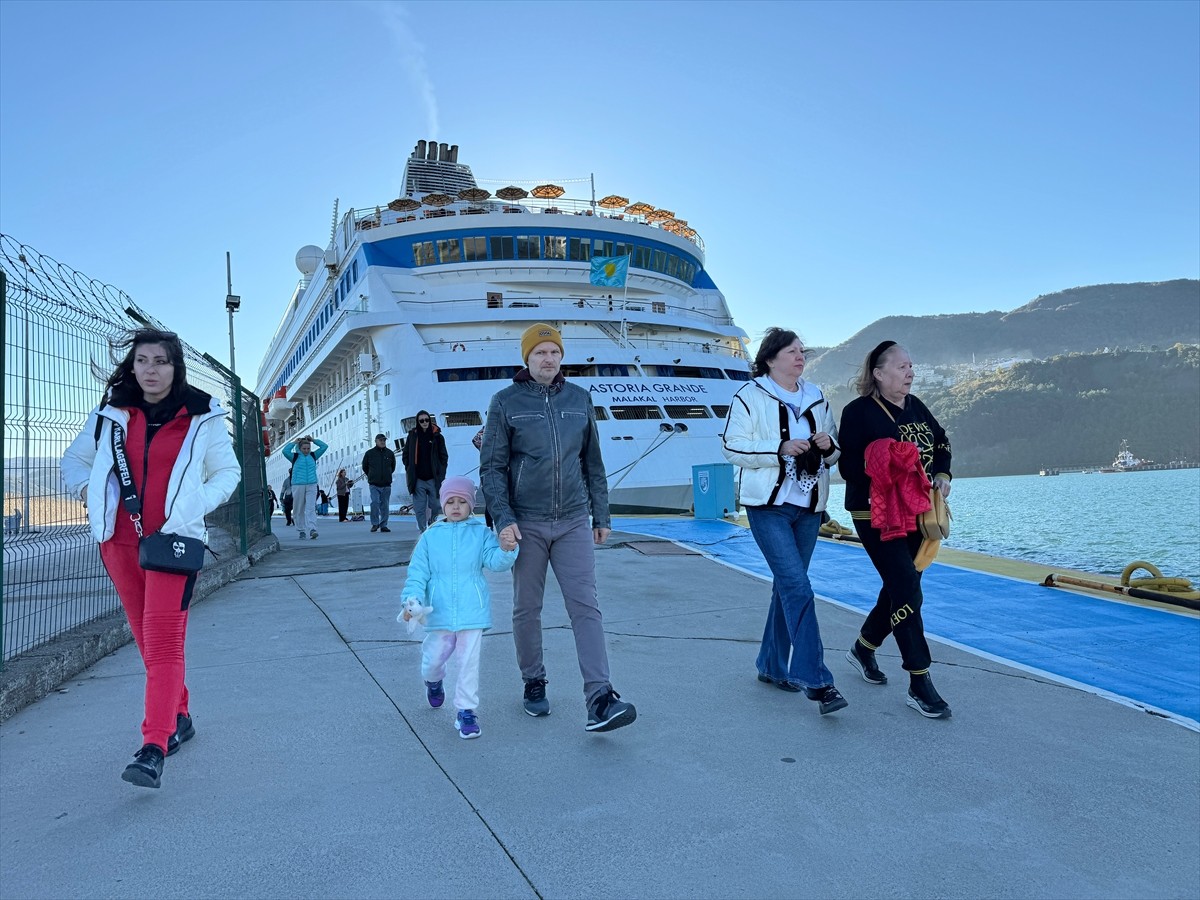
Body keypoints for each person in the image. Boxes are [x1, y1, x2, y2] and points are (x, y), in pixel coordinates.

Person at [61, 328, 241, 788]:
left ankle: (154, 745)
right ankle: (179, 714)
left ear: (175, 366)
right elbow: (74, 460)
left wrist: (192, 505)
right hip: (117, 541)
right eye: (142, 360)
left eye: (160, 361)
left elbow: (228, 472)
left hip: (173, 542)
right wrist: (89, 492)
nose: (151, 370)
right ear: (133, 365)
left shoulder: (202, 414)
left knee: (163, 641)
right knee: (144, 636)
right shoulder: (111, 413)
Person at [480, 323, 637, 733]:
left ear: (561, 356)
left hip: (572, 520)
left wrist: (600, 515)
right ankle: (533, 680)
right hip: (526, 523)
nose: (548, 359)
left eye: (554, 352)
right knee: (526, 608)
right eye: (539, 353)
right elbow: (492, 468)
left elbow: (593, 464)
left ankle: (600, 697)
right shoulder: (505, 402)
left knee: (586, 606)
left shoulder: (579, 399)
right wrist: (504, 519)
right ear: (526, 358)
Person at [721, 327, 848, 716]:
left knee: (787, 587)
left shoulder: (817, 396)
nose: (800, 357)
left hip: (809, 508)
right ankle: (818, 681)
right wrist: (778, 449)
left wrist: (828, 448)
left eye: (801, 351)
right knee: (797, 586)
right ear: (771, 358)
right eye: (791, 351)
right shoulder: (749, 396)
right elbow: (732, 446)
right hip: (768, 508)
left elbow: (834, 453)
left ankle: (772, 666)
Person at [837, 340, 954, 719]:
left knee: (900, 585)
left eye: (911, 367)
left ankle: (864, 646)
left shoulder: (916, 405)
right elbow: (848, 469)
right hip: (874, 513)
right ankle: (919, 681)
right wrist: (888, 463)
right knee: (906, 586)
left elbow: (941, 443)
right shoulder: (857, 413)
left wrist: (941, 473)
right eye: (902, 367)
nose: (910, 373)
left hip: (917, 512)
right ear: (878, 372)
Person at [400, 476, 519, 739]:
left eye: (462, 502)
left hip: (471, 612)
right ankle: (433, 680)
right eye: (450, 502)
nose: (456, 506)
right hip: (438, 612)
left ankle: (466, 711)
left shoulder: (481, 534)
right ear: (442, 504)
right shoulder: (430, 537)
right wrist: (412, 600)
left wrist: (508, 549)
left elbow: (496, 562)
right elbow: (417, 573)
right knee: (432, 661)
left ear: (471, 505)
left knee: (468, 663)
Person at [403, 413, 447, 533]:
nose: (424, 422)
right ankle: (423, 529)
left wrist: (441, 472)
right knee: (419, 508)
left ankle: (432, 522)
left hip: (433, 477)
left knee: (436, 505)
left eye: (427, 420)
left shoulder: (437, 436)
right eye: (421, 420)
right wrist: (408, 467)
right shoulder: (412, 436)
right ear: (418, 422)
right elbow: (405, 453)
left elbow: (444, 456)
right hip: (418, 479)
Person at [282, 435, 327, 540]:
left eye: (308, 448)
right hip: (298, 485)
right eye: (304, 449)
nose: (306, 451)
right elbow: (285, 451)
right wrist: (294, 442)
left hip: (312, 484)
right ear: (300, 448)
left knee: (311, 508)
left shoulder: (313, 455)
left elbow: (324, 447)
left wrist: (313, 440)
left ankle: (312, 529)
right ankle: (301, 530)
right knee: (299, 508)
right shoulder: (294, 456)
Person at [362, 432, 397, 533]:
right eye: (381, 440)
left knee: (385, 505)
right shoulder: (369, 454)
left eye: (384, 440)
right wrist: (372, 475)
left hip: (386, 484)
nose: (383, 442)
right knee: (375, 503)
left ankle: (384, 525)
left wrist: (387, 475)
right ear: (376, 441)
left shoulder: (390, 453)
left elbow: (392, 467)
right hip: (374, 484)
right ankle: (375, 524)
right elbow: (365, 467)